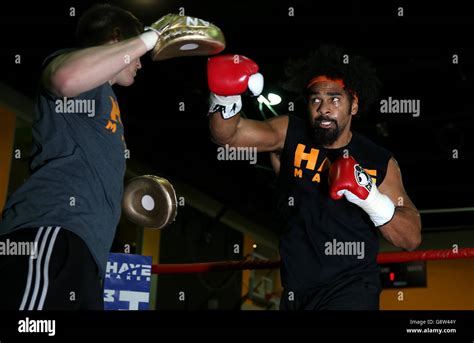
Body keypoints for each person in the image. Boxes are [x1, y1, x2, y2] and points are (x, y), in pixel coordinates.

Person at [207, 46, 422, 310]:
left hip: (352, 289)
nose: (323, 109)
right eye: (315, 100)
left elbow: (411, 238)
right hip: (296, 291)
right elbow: (228, 137)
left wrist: (370, 196)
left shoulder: (377, 160)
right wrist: (224, 96)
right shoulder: (290, 133)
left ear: (353, 104)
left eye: (334, 99)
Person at [0, 4, 163, 310]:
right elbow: (65, 78)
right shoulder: (70, 67)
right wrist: (153, 36)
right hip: (51, 231)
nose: (141, 63)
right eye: (137, 51)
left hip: (86, 251)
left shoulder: (105, 98)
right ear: (117, 39)